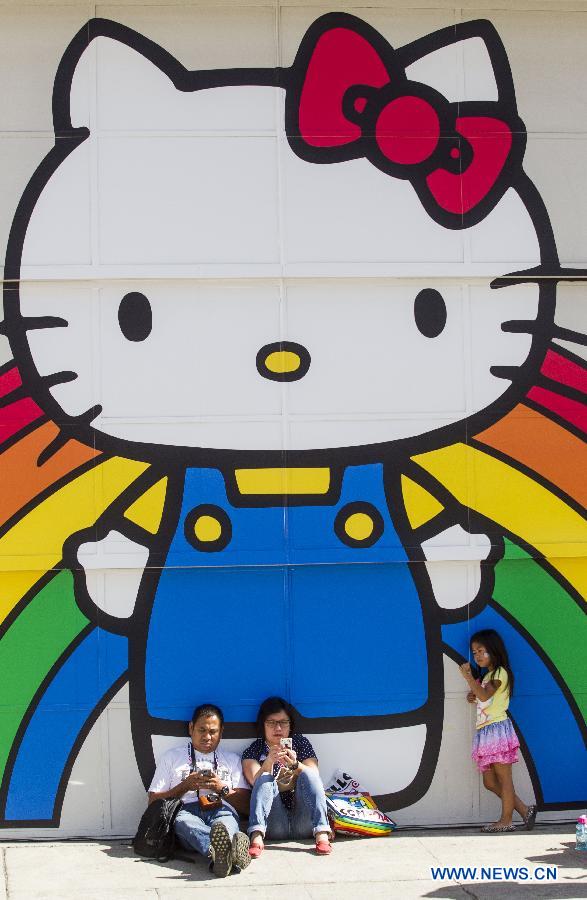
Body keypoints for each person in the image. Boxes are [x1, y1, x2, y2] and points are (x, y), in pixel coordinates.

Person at [148, 702, 251, 877]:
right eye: (202, 730)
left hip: (222, 811)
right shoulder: (172, 757)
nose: (207, 737)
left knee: (225, 828)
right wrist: (184, 786)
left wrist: (222, 788)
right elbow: (152, 803)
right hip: (185, 811)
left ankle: (219, 856)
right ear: (191, 728)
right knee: (184, 823)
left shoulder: (232, 760)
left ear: (221, 732)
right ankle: (228, 852)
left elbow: (247, 807)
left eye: (213, 732)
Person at [459, 629, 537, 833]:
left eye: (480, 650)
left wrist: (469, 678)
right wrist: (472, 694)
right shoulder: (487, 676)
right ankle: (524, 809)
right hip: (485, 732)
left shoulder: (501, 672)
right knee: (490, 782)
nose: (476, 655)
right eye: (474, 652)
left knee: (504, 779)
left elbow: (485, 697)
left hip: (497, 730)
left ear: (493, 650)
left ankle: (506, 820)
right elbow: (482, 697)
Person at [242, 697, 332, 856]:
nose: (278, 728)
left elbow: (314, 775)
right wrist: (268, 762)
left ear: (291, 725)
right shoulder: (254, 750)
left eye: (284, 722)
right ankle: (256, 836)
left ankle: (322, 834)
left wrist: (295, 765)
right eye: (271, 723)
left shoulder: (301, 743)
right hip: (273, 824)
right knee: (264, 778)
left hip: (304, 822)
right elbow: (254, 780)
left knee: (308, 775)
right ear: (262, 725)